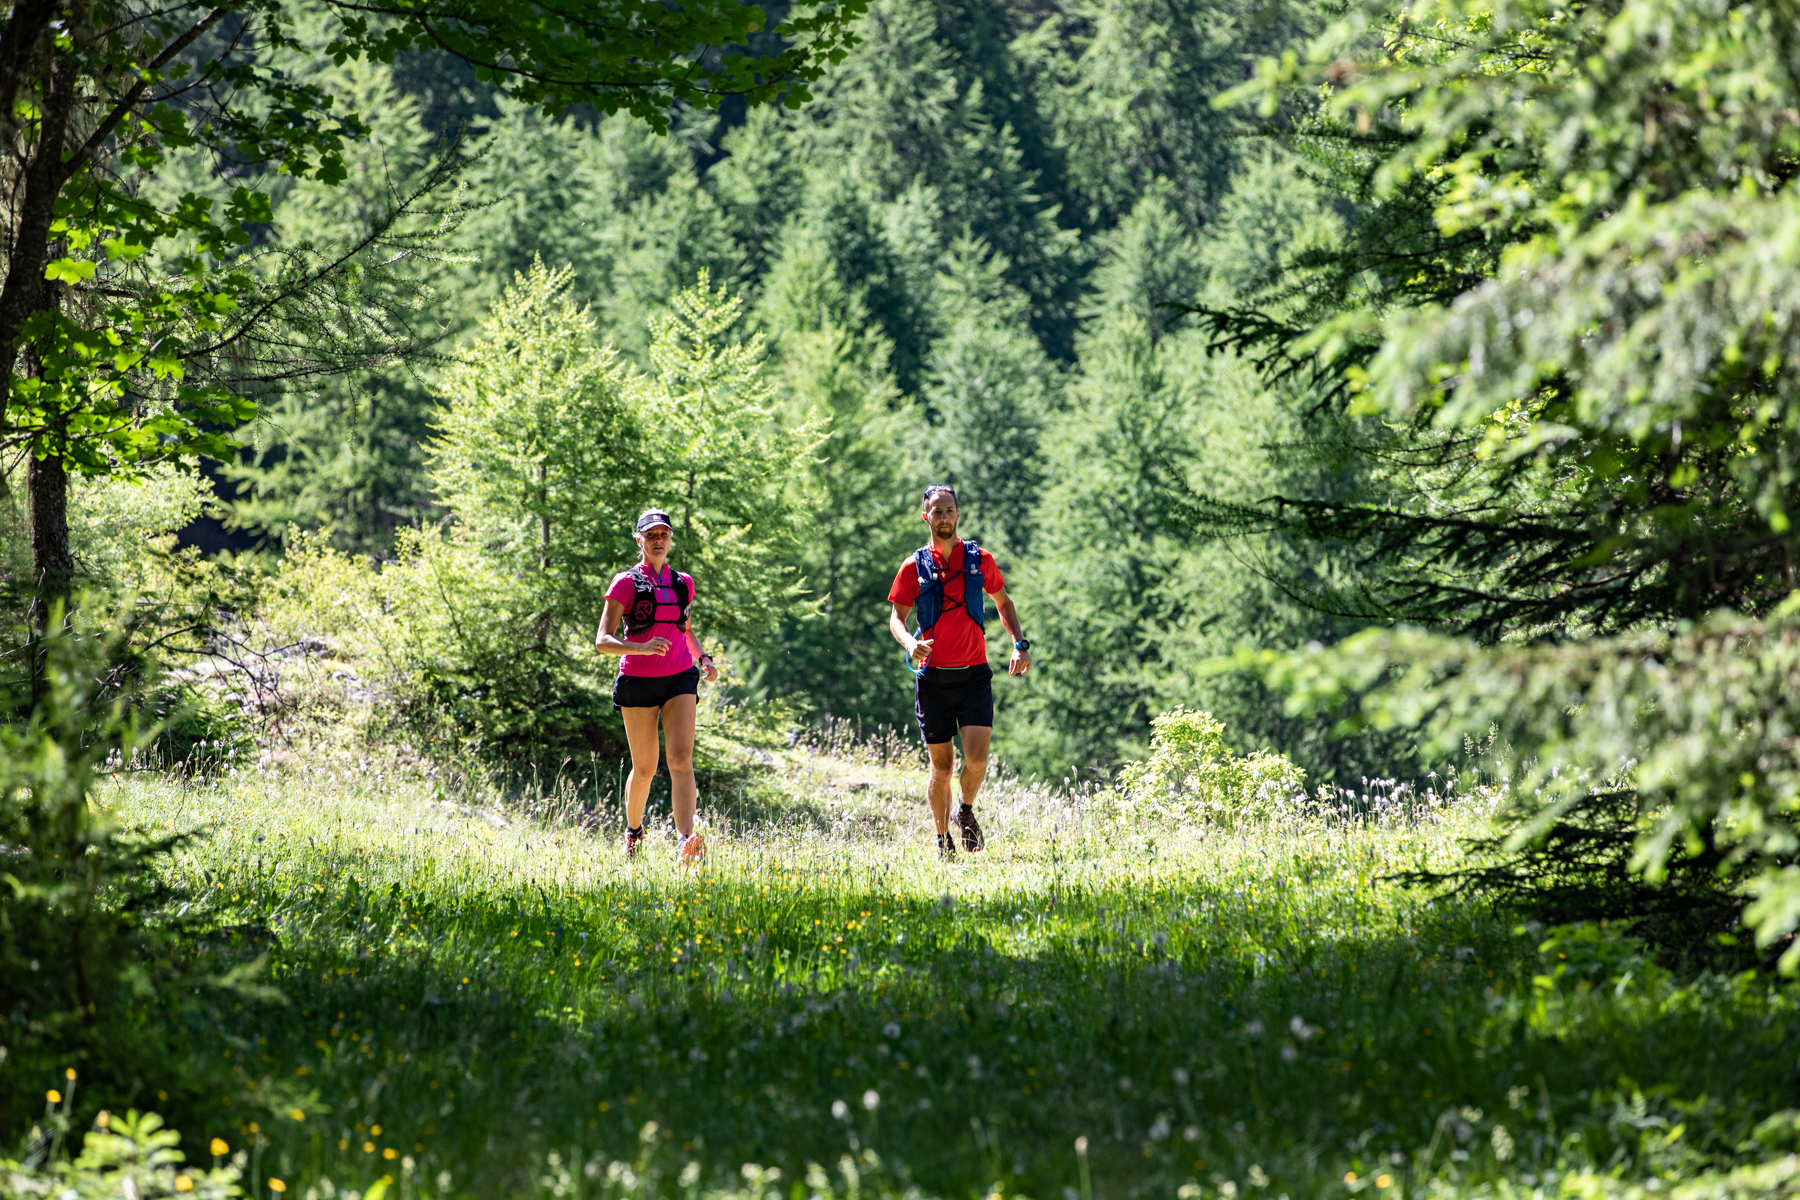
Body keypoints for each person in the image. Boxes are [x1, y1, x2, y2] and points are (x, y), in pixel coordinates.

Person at [887, 484, 1031, 858]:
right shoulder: (912, 567)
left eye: (950, 510)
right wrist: (909, 643)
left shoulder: (980, 560)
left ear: (958, 514)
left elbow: (1004, 602)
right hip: (933, 680)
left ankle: (964, 811)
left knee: (978, 760)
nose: (945, 517)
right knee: (942, 766)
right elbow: (896, 618)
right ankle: (941, 840)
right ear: (926, 517)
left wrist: (1019, 643)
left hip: (974, 677)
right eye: (937, 512)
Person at [595, 509, 720, 861]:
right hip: (638, 681)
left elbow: (685, 628)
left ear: (670, 539)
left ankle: (685, 841)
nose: (658, 540)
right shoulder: (626, 582)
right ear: (640, 540)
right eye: (651, 535)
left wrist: (703, 658)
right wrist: (640, 647)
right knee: (646, 767)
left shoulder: (684, 583)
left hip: (679, 676)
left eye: (664, 534)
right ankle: (634, 832)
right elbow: (602, 640)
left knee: (681, 758)